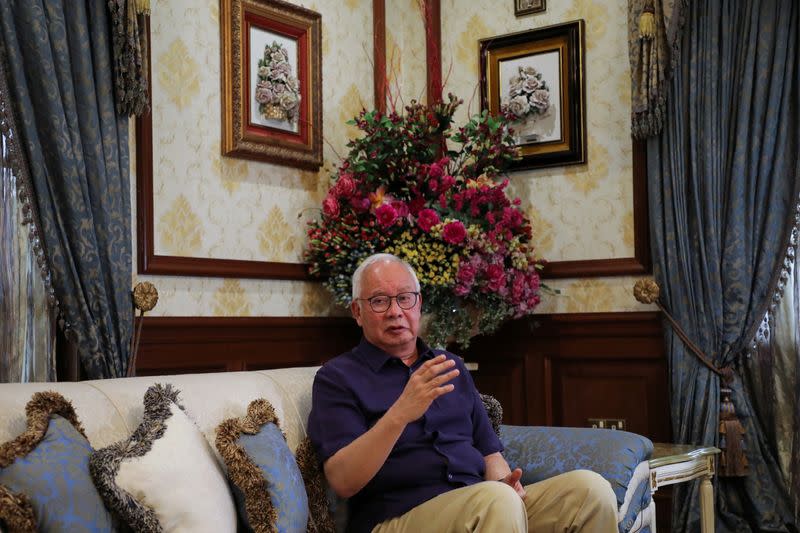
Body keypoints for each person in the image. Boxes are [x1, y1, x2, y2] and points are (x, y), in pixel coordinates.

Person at [308, 253, 618, 532]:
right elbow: (342, 481)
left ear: (419, 304)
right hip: (398, 518)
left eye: (405, 298)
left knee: (590, 491)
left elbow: (490, 453)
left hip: (479, 503)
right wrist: (400, 414)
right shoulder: (337, 378)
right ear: (357, 312)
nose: (395, 311)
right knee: (495, 501)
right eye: (379, 301)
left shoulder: (450, 366)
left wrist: (506, 484)